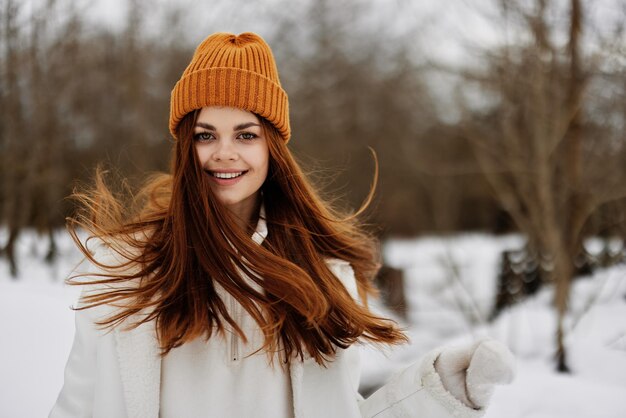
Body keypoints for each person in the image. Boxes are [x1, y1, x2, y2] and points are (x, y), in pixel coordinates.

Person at [50, 32, 514, 418]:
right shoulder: (124, 272)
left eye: (246, 135)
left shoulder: (324, 277)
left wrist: (435, 395)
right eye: (205, 135)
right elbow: (77, 407)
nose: (224, 153)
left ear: (273, 148)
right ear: (183, 148)